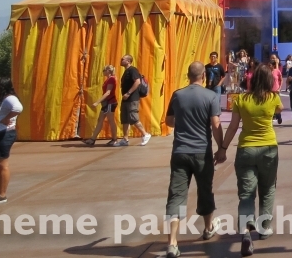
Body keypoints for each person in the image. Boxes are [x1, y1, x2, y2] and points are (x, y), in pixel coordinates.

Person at [217, 63, 282, 256]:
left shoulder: (242, 99)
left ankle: (245, 230)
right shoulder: (273, 98)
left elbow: (233, 126)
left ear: (252, 79)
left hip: (245, 148)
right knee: (268, 188)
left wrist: (222, 148)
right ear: (269, 79)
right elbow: (279, 110)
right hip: (269, 148)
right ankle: (264, 227)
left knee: (246, 193)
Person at [164, 62, 224, 258]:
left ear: (188, 75)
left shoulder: (178, 95)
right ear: (204, 76)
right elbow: (215, 125)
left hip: (180, 151)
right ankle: (208, 228)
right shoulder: (211, 96)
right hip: (201, 152)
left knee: (176, 194)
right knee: (205, 189)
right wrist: (221, 148)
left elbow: (170, 122)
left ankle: (172, 242)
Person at [118, 54, 150, 146]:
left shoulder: (133, 70)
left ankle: (145, 134)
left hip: (132, 98)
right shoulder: (126, 71)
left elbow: (137, 81)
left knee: (133, 117)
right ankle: (125, 139)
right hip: (125, 99)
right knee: (125, 119)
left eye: (122, 59)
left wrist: (128, 93)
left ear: (128, 61)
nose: (121, 60)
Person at [83, 65, 119, 147]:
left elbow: (108, 92)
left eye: (104, 70)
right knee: (100, 120)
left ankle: (114, 139)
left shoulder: (112, 79)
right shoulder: (108, 80)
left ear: (108, 71)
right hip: (106, 103)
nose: (103, 72)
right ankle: (92, 139)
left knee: (111, 121)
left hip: (110, 102)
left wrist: (97, 102)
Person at [268, 54, 284, 126]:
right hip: (269, 90)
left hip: (276, 90)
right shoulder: (267, 71)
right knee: (270, 105)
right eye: (271, 58)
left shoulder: (277, 70)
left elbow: (281, 79)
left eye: (274, 58)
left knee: (277, 105)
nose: (272, 59)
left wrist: (279, 88)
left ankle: (279, 116)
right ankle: (271, 117)